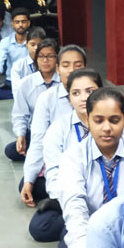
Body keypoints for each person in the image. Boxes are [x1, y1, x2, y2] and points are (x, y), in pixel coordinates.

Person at [34, 88, 124, 248]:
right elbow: (75, 208)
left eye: (114, 120)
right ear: (87, 120)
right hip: (91, 230)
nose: (107, 128)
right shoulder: (73, 156)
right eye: (98, 120)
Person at [26, 68, 102, 242]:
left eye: (90, 91)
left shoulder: (115, 126)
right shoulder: (58, 128)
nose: (84, 98)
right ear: (69, 98)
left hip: (107, 197)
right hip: (71, 195)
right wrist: (72, 203)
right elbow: (53, 174)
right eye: (76, 93)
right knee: (40, 227)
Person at [20, 45, 87, 208]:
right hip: (59, 163)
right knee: (28, 183)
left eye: (78, 65)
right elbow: (38, 140)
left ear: (85, 68)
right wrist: (29, 180)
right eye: (66, 65)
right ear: (57, 68)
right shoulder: (47, 98)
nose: (72, 70)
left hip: (90, 165)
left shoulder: (97, 97)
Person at [6, 36, 58, 163]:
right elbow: (20, 114)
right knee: (11, 150)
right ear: (36, 59)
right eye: (41, 56)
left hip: (60, 133)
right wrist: (21, 135)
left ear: (57, 58)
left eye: (50, 56)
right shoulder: (26, 83)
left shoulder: (65, 82)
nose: (45, 60)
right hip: (36, 133)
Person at [0, 8, 31, 102]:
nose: (20, 25)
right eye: (17, 22)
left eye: (23, 22)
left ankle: (21, 93)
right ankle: (24, 94)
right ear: (12, 24)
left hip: (30, 80)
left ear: (28, 23)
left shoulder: (34, 41)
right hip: (12, 81)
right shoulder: (5, 42)